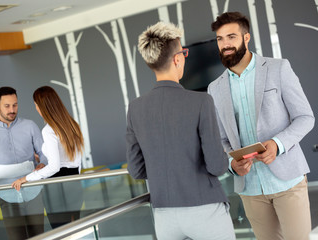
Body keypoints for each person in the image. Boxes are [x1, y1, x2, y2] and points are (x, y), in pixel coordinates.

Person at [208, 12, 314, 240]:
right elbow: (221, 140)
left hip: (288, 180)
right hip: (250, 189)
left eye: (231, 37)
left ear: (246, 38)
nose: (225, 44)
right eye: (220, 39)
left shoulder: (278, 68)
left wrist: (277, 144)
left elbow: (305, 117)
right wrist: (231, 164)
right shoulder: (214, 89)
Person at [126, 22, 235, 240]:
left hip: (164, 214)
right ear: (177, 59)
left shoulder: (135, 108)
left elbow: (136, 170)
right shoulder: (201, 101)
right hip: (205, 208)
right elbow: (216, 165)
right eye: (183, 53)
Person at [0, 86, 48, 240]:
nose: (12, 110)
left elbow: (43, 153)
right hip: (7, 196)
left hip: (33, 192)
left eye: (15, 105)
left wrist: (42, 163)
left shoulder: (30, 126)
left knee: (39, 237)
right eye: (7, 106)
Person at [12, 86, 84, 228]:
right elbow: (76, 160)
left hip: (57, 188)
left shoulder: (48, 130)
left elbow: (55, 167)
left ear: (41, 107)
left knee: (61, 232)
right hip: (74, 182)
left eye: (36, 105)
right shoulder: (72, 124)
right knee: (76, 229)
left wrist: (25, 178)